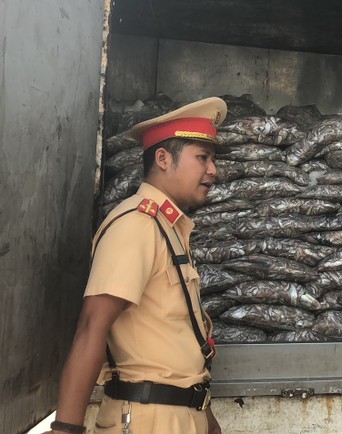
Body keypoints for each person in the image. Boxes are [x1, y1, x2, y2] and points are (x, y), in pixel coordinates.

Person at [47, 97, 228, 434]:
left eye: (212, 159)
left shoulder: (167, 228)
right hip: (147, 420)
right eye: (202, 158)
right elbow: (91, 327)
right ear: (162, 158)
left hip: (177, 417)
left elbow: (174, 340)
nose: (213, 170)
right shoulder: (137, 225)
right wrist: (65, 430)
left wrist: (206, 420)